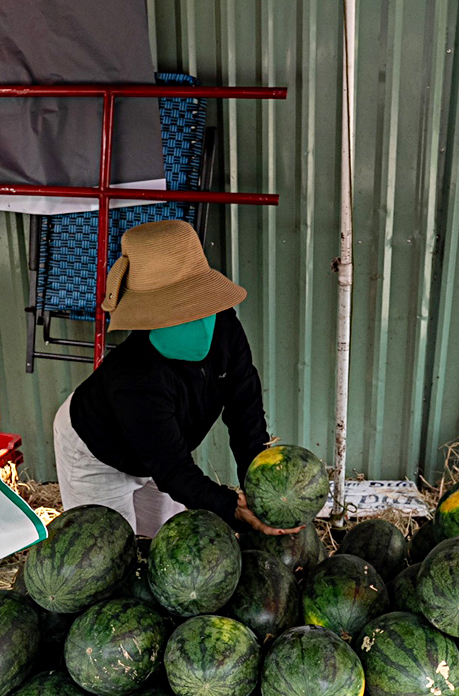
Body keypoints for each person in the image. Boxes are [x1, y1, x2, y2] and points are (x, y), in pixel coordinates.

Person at [52, 219, 301, 538]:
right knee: (113, 552)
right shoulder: (134, 374)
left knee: (164, 541)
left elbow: (245, 411)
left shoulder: (225, 326)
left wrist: (260, 487)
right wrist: (231, 507)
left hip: (164, 450)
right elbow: (172, 472)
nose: (196, 321)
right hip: (95, 453)